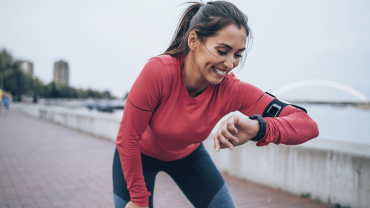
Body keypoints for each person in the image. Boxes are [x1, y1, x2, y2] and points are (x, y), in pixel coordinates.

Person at [113, 1, 319, 208]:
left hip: (188, 157)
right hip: (137, 156)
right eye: (222, 51)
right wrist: (139, 201)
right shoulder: (159, 71)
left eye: (238, 54)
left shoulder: (232, 90)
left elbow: (308, 125)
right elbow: (128, 137)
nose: (230, 64)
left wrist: (258, 128)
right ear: (193, 40)